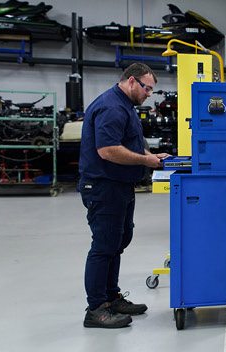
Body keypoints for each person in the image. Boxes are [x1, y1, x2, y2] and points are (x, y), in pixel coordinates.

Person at [79, 62, 170, 328]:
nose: (148, 94)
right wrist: (146, 160)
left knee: (118, 242)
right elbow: (108, 150)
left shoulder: (124, 106)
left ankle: (110, 298)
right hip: (104, 187)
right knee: (104, 246)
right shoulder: (112, 107)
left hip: (119, 186)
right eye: (147, 88)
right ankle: (96, 308)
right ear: (131, 81)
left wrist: (149, 157)